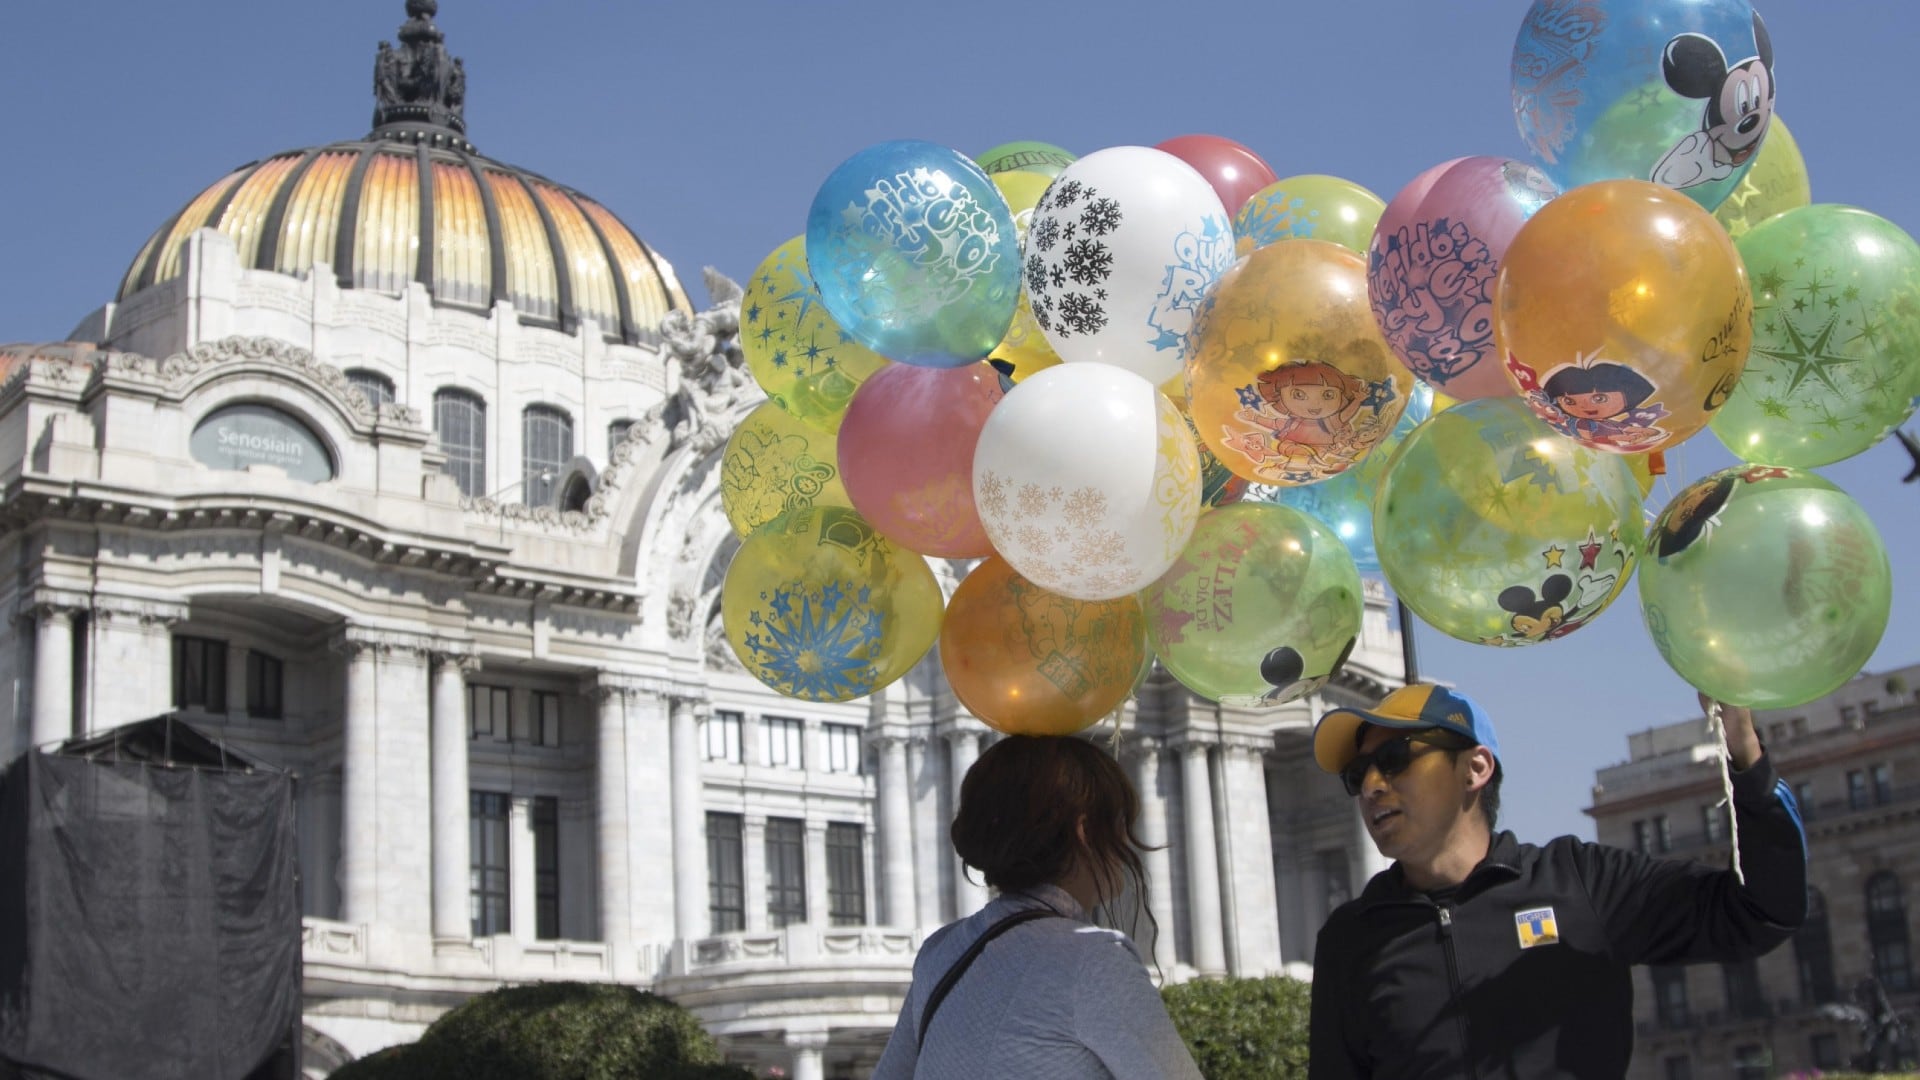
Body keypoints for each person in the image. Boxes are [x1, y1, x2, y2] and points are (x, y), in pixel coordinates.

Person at [1306, 682, 1808, 1079]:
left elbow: (1761, 913)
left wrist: (1744, 751)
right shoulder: (1351, 940)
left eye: (1395, 761)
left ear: (1475, 768)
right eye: (1358, 774)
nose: (1372, 786)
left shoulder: (1581, 883)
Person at [873, 735, 1202, 1079]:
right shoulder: (1094, 959)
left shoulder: (940, 952)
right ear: (1085, 830)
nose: (1126, 839)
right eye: (1122, 821)